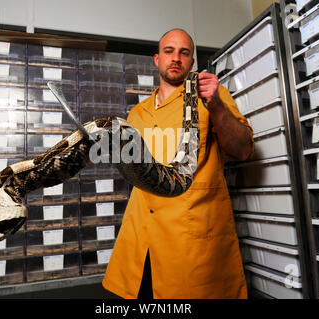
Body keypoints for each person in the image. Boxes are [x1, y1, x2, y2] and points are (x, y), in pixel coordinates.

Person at [102, 28, 254, 299]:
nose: (176, 58)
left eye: (184, 53)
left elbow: (242, 150)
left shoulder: (212, 99)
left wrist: (217, 105)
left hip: (188, 237)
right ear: (156, 59)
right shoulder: (137, 112)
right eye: (169, 51)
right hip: (141, 235)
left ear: (192, 63)